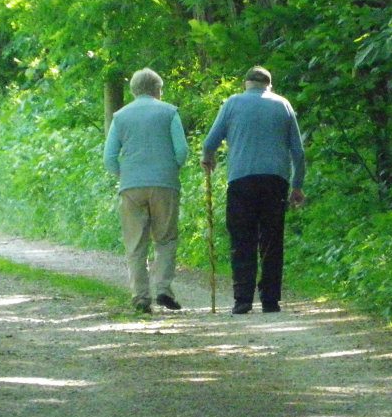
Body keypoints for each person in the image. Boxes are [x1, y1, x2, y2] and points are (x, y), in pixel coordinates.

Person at [201, 66, 305, 314]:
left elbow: (209, 143)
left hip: (241, 180)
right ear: (269, 85)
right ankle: (270, 299)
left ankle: (242, 299)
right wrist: (297, 186)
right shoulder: (283, 105)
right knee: (272, 239)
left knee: (242, 237)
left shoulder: (232, 104)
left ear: (246, 84)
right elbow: (298, 152)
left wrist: (208, 159)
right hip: (275, 180)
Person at [104, 68, 189, 314]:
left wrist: (126, 174)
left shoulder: (120, 117)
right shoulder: (169, 112)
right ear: (157, 89)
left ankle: (140, 296)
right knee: (165, 239)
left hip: (131, 187)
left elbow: (109, 158)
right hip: (165, 184)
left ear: (133, 90)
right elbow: (181, 151)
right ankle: (163, 288)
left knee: (135, 243)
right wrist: (170, 168)